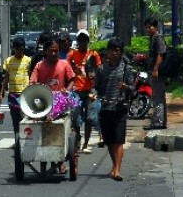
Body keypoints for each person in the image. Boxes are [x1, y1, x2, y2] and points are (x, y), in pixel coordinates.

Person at [29, 35, 75, 173]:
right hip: (43, 101)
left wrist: (67, 90)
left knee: (57, 125)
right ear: (45, 51)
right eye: (50, 50)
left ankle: (60, 161)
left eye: (56, 50)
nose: (53, 53)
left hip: (60, 101)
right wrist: (36, 86)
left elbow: (72, 80)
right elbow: (32, 82)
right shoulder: (39, 65)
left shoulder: (64, 64)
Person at [93, 37, 134, 181]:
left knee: (118, 140)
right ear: (108, 52)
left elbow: (133, 88)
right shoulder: (101, 69)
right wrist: (93, 94)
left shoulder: (126, 69)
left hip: (120, 107)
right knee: (109, 141)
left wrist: (126, 87)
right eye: (112, 51)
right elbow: (96, 87)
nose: (115, 54)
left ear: (121, 52)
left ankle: (117, 170)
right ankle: (114, 166)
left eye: (118, 51)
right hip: (105, 108)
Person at [66, 29, 102, 154]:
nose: (83, 42)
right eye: (80, 40)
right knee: (76, 118)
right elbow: (67, 70)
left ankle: (85, 144)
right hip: (76, 90)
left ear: (87, 41)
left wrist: (94, 78)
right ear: (78, 41)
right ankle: (77, 139)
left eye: (85, 40)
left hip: (90, 90)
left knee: (90, 118)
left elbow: (98, 71)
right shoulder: (71, 55)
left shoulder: (94, 54)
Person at [0, 37, 31, 138]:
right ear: (13, 49)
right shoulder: (9, 61)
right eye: (17, 49)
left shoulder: (28, 60)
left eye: (21, 49)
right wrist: (0, 93)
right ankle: (17, 140)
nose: (19, 52)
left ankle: (25, 138)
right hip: (13, 94)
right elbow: (6, 78)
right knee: (15, 119)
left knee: (25, 118)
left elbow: (31, 75)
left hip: (25, 94)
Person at [143, 17, 167, 130]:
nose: (148, 29)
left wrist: (156, 69)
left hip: (157, 73)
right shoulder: (152, 38)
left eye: (149, 27)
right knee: (157, 97)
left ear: (156, 27)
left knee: (158, 98)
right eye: (146, 27)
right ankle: (159, 121)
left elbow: (160, 54)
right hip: (153, 71)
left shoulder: (158, 39)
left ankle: (158, 123)